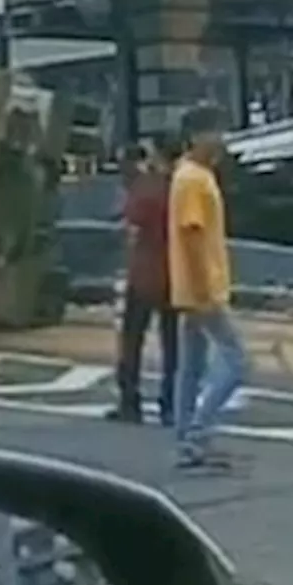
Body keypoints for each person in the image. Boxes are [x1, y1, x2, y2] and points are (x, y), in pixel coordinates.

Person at [169, 103, 245, 470]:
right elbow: (193, 235)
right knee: (237, 361)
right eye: (215, 131)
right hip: (203, 290)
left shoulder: (191, 175)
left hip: (192, 289)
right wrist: (204, 292)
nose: (221, 139)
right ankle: (198, 432)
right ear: (197, 136)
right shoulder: (193, 180)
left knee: (192, 365)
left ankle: (187, 439)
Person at [110, 133, 179, 424]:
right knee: (174, 343)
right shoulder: (183, 185)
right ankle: (171, 403)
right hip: (176, 274)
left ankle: (130, 401)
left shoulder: (148, 187)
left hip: (145, 273)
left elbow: (130, 222)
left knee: (132, 339)